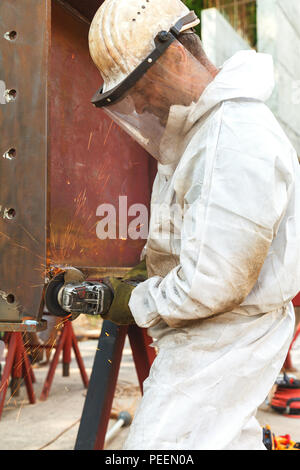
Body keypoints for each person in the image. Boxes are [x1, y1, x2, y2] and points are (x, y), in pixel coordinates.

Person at [89, 0, 300, 450]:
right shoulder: (203, 130)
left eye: (140, 87)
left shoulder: (234, 137)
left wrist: (138, 298)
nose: (139, 102)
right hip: (208, 328)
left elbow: (215, 283)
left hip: (227, 334)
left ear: (177, 58)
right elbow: (194, 239)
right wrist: (149, 274)